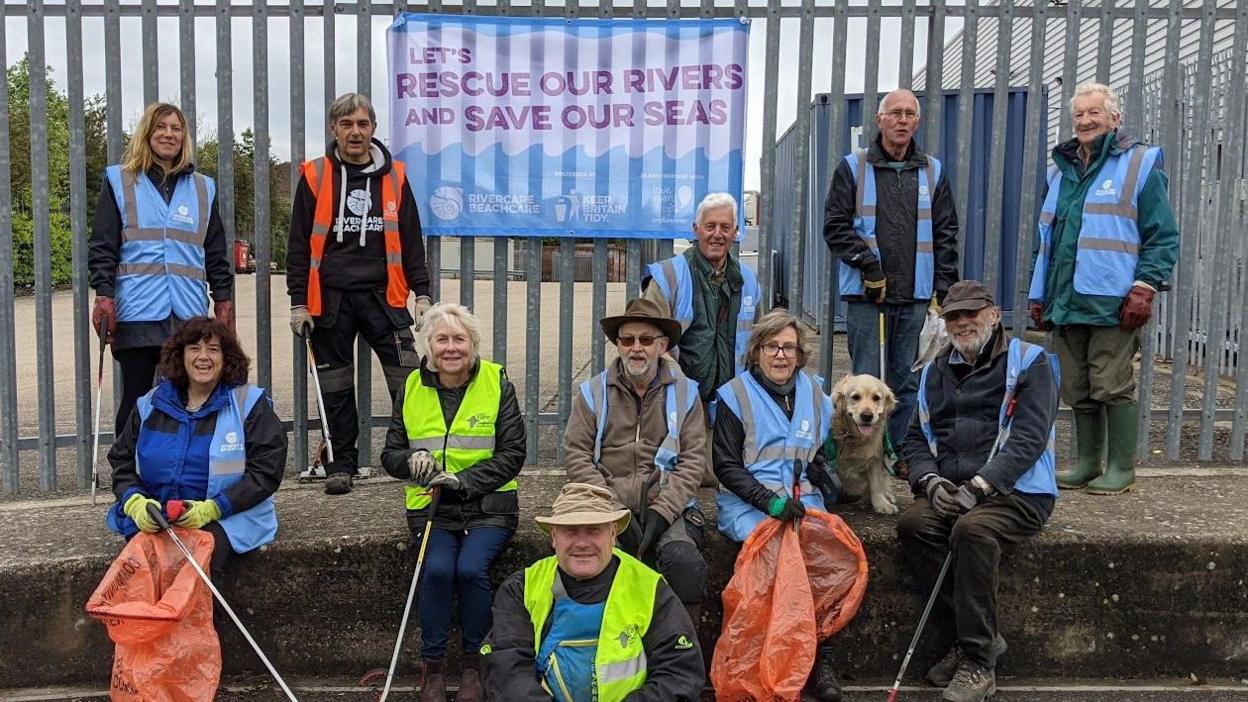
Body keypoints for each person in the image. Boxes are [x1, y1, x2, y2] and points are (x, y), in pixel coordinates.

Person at [897, 280, 1058, 702]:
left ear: (994, 315)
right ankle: (977, 637)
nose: (962, 323)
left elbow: (1029, 439)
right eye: (953, 316)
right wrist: (929, 482)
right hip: (953, 487)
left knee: (972, 531)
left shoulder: (1030, 362)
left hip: (1018, 491)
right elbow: (915, 439)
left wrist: (980, 485)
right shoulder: (935, 369)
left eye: (971, 314)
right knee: (914, 523)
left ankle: (978, 660)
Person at [1028, 82, 1179, 496]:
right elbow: (1046, 240)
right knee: (1077, 387)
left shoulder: (1139, 164)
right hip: (1066, 298)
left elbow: (1162, 235)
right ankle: (1089, 463)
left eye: (1094, 113)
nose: (1085, 121)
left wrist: (1145, 286)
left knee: (1111, 384)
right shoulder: (1059, 171)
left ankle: (1120, 467)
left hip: (1113, 299)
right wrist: (1038, 294)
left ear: (1115, 119)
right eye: (1079, 114)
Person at [287, 92, 433, 495]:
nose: (355, 131)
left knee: (410, 380)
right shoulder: (315, 176)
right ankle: (341, 464)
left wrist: (422, 294)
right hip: (329, 301)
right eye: (347, 124)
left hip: (384, 299)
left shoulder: (395, 177)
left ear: (373, 129)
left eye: (363, 124)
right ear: (334, 129)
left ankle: (415, 457)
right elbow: (298, 245)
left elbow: (410, 241)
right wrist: (298, 301)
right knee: (335, 388)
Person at [379, 302, 525, 702]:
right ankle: (433, 667)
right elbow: (389, 455)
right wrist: (410, 461)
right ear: (428, 346)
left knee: (471, 569)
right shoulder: (411, 386)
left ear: (473, 344)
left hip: (489, 507)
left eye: (459, 339)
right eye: (441, 339)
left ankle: (475, 665)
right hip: (432, 508)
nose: (451, 347)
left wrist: (462, 480)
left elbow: (513, 455)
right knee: (439, 570)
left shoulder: (497, 382)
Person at [712, 308, 843, 701]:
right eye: (772, 346)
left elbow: (822, 453)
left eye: (789, 347)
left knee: (830, 558)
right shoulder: (735, 395)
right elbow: (726, 466)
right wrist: (768, 502)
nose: (781, 355)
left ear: (800, 354)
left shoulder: (817, 395)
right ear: (757, 352)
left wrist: (822, 473)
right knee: (778, 556)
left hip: (804, 499)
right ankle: (767, 662)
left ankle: (819, 658)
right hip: (749, 502)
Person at [481, 482, 705, 701]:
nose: (582, 543)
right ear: (553, 537)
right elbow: (506, 671)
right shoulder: (522, 588)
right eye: (570, 531)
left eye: (594, 530)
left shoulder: (649, 586)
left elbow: (679, 672)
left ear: (613, 533)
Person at [823, 88, 960, 443]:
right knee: (865, 381)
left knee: (906, 380)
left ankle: (899, 450)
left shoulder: (933, 170)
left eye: (909, 114)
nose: (902, 120)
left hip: (915, 293)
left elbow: (946, 232)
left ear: (918, 121)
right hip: (866, 294)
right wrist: (869, 266)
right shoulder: (853, 167)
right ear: (879, 119)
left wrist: (945, 289)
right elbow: (835, 226)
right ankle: (862, 451)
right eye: (895, 113)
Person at [106, 317, 286, 587]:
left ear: (226, 358)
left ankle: (198, 630)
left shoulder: (249, 404)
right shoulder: (149, 405)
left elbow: (266, 471)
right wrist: (135, 502)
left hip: (229, 518)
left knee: (197, 564)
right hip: (159, 517)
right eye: (194, 348)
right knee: (140, 573)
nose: (204, 357)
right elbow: (122, 462)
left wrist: (214, 508)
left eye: (213, 349)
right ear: (180, 356)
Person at [89, 102, 233, 436]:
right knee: (138, 399)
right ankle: (128, 475)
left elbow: (215, 250)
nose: (169, 134)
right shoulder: (120, 181)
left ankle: (178, 474)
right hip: (138, 311)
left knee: (189, 397)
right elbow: (103, 246)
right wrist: (104, 295)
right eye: (161, 127)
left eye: (176, 128)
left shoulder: (202, 188)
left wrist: (223, 298)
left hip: (187, 313)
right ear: (147, 134)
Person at [562, 297, 709, 624]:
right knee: (592, 563)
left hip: (667, 504)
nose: (636, 348)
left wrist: (662, 512)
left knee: (684, 562)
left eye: (646, 340)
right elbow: (576, 455)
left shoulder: (686, 393)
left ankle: (683, 658)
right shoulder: (592, 392)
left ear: (663, 345)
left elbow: (693, 461)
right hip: (606, 505)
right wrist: (612, 511)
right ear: (618, 344)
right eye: (627, 340)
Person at [642, 192, 762, 411]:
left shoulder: (749, 281)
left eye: (725, 227)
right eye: (710, 226)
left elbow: (760, 342)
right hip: (677, 403)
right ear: (695, 229)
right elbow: (647, 343)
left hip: (733, 406)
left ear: (736, 233)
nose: (717, 234)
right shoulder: (667, 276)